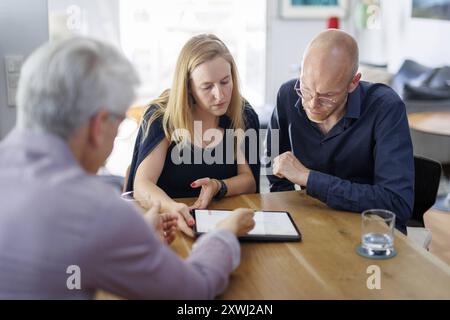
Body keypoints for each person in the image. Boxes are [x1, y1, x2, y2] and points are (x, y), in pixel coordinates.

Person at [0, 37, 255, 299]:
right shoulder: (98, 212)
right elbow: (193, 290)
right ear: (99, 125)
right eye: (120, 122)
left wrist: (137, 237)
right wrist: (225, 231)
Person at [265, 30, 414, 233]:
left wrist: (309, 178)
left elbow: (397, 203)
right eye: (306, 89)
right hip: (309, 222)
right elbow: (273, 163)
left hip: (369, 230)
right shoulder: (287, 96)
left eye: (327, 96)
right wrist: (288, 210)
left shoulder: (385, 108)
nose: (312, 104)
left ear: (353, 82)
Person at [126, 34, 260, 236]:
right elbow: (142, 185)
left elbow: (249, 180)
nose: (220, 95)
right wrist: (172, 208)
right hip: (165, 225)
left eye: (225, 81)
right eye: (207, 87)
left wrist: (218, 186)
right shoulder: (162, 116)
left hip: (223, 223)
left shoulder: (243, 115)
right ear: (188, 87)